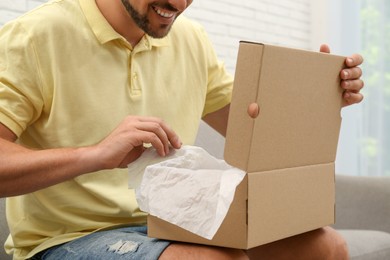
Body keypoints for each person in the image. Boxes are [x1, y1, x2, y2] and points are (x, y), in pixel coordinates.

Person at [0, 0, 364, 259]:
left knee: (327, 247)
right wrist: (93, 155)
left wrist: (323, 97)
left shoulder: (191, 40)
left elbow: (255, 130)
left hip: (174, 223)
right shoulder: (35, 36)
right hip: (67, 240)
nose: (178, 2)